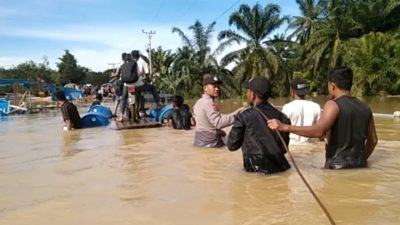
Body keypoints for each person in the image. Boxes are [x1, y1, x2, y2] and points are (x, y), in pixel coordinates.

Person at [268, 66, 378, 169]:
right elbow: (373, 140)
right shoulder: (365, 108)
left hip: (336, 167)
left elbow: (319, 131)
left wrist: (285, 127)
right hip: (360, 166)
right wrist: (362, 159)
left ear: (332, 85)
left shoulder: (333, 105)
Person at [227, 76, 291, 174]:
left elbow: (232, 145)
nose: (246, 94)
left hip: (256, 169)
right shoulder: (283, 118)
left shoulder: (244, 116)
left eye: (247, 91)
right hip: (281, 167)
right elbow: (284, 149)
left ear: (252, 94)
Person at [193, 74, 243, 147]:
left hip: (199, 141)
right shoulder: (208, 103)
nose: (217, 89)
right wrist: (237, 116)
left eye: (218, 86)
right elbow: (218, 123)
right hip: (210, 144)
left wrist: (236, 112)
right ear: (205, 88)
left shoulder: (199, 102)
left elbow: (213, 120)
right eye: (214, 86)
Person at [282, 77, 321, 145]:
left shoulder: (287, 107)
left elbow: (282, 131)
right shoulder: (316, 107)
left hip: (292, 146)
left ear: (292, 91)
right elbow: (321, 132)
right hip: (310, 147)